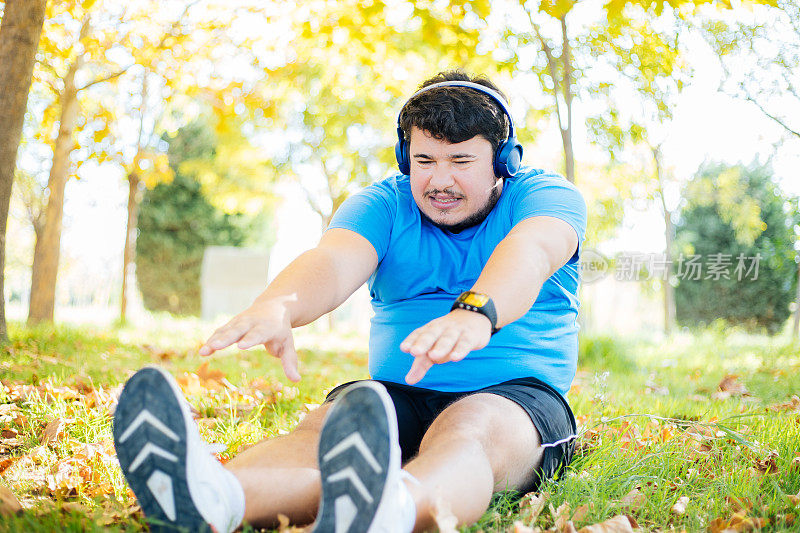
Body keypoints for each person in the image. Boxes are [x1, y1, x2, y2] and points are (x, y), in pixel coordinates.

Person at [113, 69, 587, 533]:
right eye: (424, 161)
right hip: (398, 395)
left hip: (515, 397)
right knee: (329, 428)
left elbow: (531, 251)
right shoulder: (383, 204)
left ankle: (392, 511)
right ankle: (216, 498)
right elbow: (335, 261)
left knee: (470, 425)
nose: (440, 180)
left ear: (504, 160)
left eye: (460, 162)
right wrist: (279, 303)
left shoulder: (545, 196)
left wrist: (477, 311)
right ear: (405, 156)